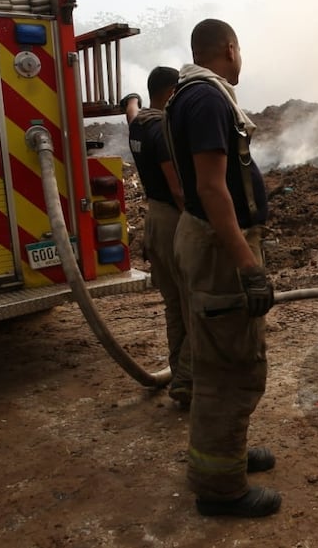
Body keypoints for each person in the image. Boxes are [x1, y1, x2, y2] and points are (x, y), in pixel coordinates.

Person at [165, 18, 280, 518]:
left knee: (218, 353)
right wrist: (247, 264)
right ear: (229, 48)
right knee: (231, 365)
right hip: (218, 249)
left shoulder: (185, 95)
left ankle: (226, 454)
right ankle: (221, 488)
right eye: (240, 50)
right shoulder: (210, 100)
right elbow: (213, 188)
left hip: (201, 240)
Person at [121, 67, 192, 408]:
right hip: (173, 219)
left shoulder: (139, 122)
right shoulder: (162, 129)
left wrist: (130, 98)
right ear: (170, 94)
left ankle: (180, 375)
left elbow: (132, 108)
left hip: (154, 219)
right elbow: (178, 188)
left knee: (174, 306)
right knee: (194, 304)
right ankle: (188, 382)